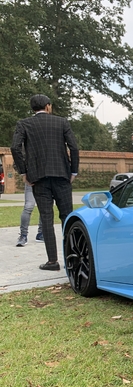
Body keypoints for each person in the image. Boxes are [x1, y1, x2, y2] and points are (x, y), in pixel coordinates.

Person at [11, 94, 80, 271]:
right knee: (67, 216)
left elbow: (15, 147)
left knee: (46, 219)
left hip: (38, 178)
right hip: (62, 175)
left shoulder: (24, 124)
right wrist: (73, 170)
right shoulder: (62, 122)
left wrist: (23, 172)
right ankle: (73, 258)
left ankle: (52, 261)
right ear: (48, 106)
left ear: (32, 108)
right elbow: (73, 147)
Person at [15, 169, 44, 246]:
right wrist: (24, 174)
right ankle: (23, 235)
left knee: (45, 207)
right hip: (31, 180)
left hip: (45, 180)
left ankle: (41, 234)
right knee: (28, 206)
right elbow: (18, 162)